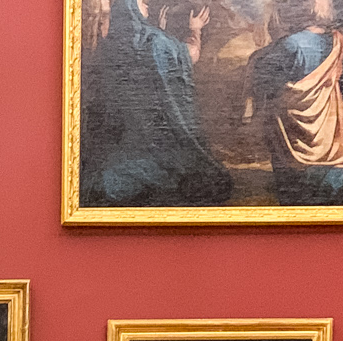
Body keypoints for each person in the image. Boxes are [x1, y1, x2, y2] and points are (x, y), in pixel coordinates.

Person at [79, 0, 232, 207]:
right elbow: (190, 54)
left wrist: (161, 32)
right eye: (142, 2)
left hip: (124, 133)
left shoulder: (109, 43)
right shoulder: (156, 41)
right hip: (152, 138)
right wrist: (195, 30)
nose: (147, 5)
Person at [249, 0, 343, 206]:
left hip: (299, 133)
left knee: (293, 169)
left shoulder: (291, 45)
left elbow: (262, 78)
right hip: (328, 131)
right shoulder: (337, 40)